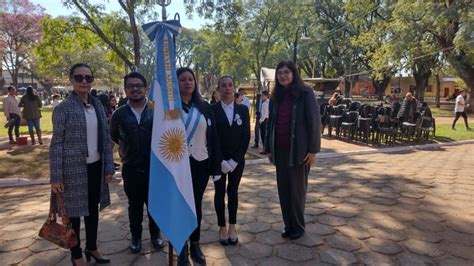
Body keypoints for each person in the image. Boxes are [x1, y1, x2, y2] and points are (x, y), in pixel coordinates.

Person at [50, 63, 114, 266]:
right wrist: (56, 175)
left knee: (93, 210)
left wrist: (109, 166)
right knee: (74, 215)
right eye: (79, 77)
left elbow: (105, 139)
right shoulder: (63, 109)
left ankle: (92, 248)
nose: (84, 81)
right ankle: (76, 255)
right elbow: (56, 143)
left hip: (96, 167)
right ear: (71, 80)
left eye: (88, 77)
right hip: (72, 170)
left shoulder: (97, 106)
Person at [264, 60, 321, 240]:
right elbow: (271, 123)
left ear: (294, 73)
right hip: (280, 150)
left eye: (286, 72)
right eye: (280, 73)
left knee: (296, 191)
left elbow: (314, 122)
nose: (283, 76)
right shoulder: (276, 96)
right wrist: (269, 148)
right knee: (283, 190)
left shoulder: (305, 92)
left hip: (299, 151)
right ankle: (288, 225)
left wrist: (313, 150)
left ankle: (298, 227)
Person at [110, 72, 164, 254]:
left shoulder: (156, 109)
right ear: (125, 90)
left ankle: (156, 235)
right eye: (131, 86)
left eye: (139, 85)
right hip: (131, 168)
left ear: (145, 88)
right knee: (134, 205)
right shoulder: (119, 114)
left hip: (154, 168)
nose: (135, 89)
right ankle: (136, 237)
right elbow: (115, 137)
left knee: (155, 204)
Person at [176, 67, 221, 265]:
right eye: (183, 79)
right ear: (176, 83)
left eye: (190, 79)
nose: (187, 82)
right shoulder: (170, 108)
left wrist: (216, 167)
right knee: (179, 207)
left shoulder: (204, 107)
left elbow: (213, 138)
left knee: (195, 206)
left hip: (200, 164)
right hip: (177, 166)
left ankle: (195, 243)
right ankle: (181, 247)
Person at [211, 75, 250, 246]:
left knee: (233, 192)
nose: (227, 88)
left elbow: (246, 137)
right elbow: (211, 137)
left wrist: (235, 160)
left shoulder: (242, 110)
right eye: (223, 85)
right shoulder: (212, 110)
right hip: (218, 161)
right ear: (218, 89)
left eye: (230, 85)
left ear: (234, 88)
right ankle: (222, 227)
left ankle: (232, 226)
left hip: (237, 161)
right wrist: (220, 161)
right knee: (219, 193)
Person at [259, 90, 270, 154]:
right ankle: (267, 149)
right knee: (267, 135)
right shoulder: (270, 102)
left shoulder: (264, 104)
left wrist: (260, 121)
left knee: (263, 135)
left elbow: (264, 114)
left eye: (263, 96)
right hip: (269, 120)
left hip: (264, 120)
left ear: (266, 96)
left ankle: (265, 149)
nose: (262, 97)